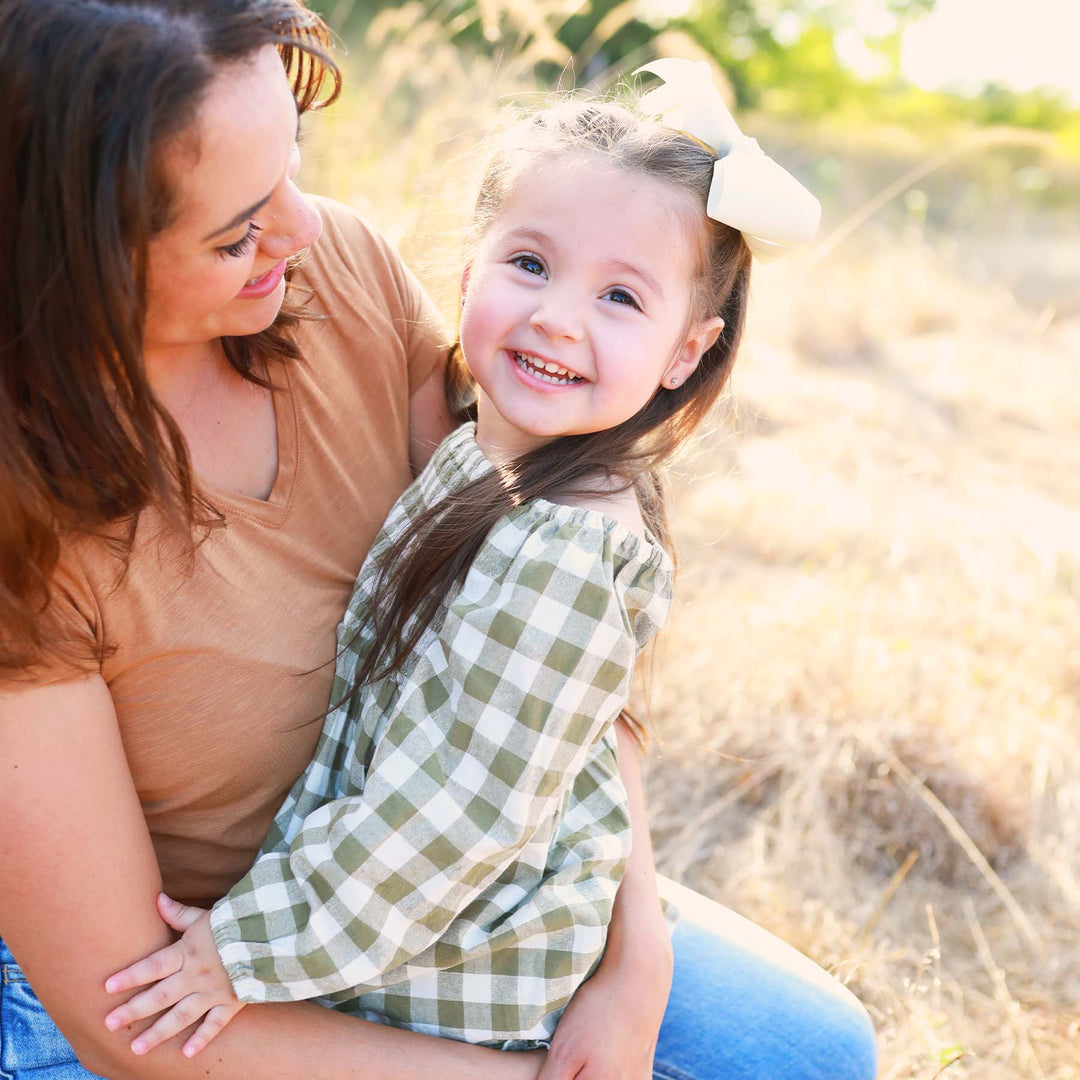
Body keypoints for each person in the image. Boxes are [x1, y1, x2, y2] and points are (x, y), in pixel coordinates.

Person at [0, 0, 875, 1074]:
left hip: (427, 905)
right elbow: (128, 1017)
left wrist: (633, 946)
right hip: (196, 984)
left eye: (296, 163)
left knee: (810, 1049)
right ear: (74, 251)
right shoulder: (23, 512)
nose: (304, 227)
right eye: (237, 229)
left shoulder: (336, 276)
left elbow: (544, 664)